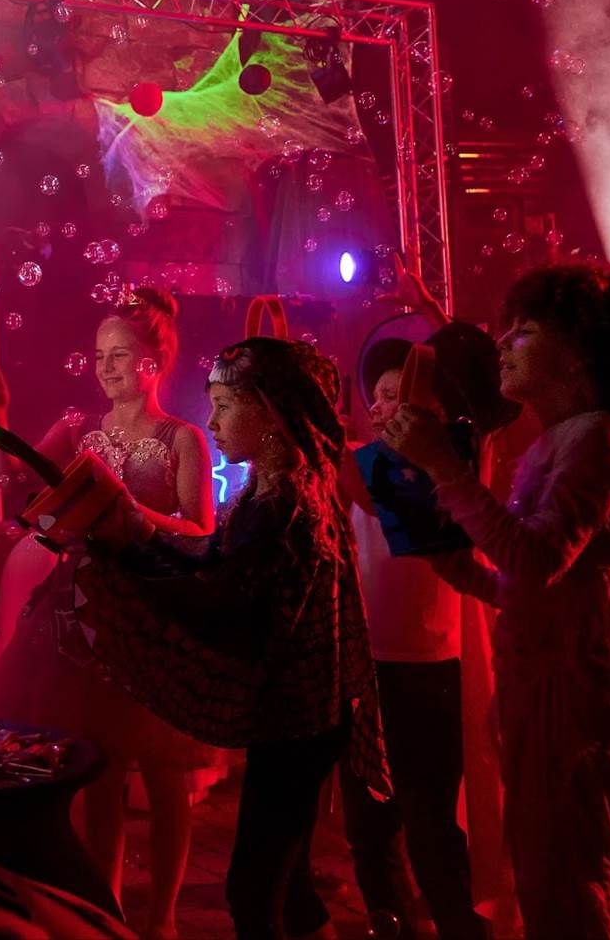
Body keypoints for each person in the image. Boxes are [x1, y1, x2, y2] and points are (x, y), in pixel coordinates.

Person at [65, 335, 389, 940]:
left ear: (269, 414)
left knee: (252, 889)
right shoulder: (275, 491)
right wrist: (138, 541)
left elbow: (215, 598)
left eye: (224, 406)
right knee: (290, 885)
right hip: (301, 717)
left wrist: (125, 556)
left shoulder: (281, 508)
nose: (211, 422)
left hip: (297, 721)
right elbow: (213, 565)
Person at [0, 287, 219, 940]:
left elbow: (201, 530)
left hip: (154, 616)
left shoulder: (183, 437)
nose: (105, 367)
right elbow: (11, 481)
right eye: (99, 355)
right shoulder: (80, 429)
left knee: (164, 775)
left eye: (119, 355)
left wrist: (132, 516)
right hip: (82, 620)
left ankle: (163, 918)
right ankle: (106, 915)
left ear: (153, 362)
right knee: (97, 770)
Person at [383, 262, 610, 939]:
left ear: (576, 352)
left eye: (524, 332)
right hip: (536, 680)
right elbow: (524, 586)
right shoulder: (556, 439)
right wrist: (459, 569)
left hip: (571, 690)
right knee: (539, 865)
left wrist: (444, 466)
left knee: (567, 873)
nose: (503, 344)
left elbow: (536, 560)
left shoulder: (597, 437)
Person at [338, 323, 511, 940]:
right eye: (380, 396)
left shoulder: (449, 474)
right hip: (364, 666)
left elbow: (378, 495)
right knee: (368, 825)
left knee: (430, 824)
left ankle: (462, 927)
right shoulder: (361, 466)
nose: (383, 408)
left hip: (428, 669)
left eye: (400, 396)